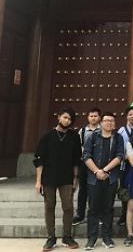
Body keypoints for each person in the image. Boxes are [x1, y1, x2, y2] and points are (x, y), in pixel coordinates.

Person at [34, 107, 81, 251]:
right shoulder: (47, 137)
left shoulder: (74, 137)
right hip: (48, 177)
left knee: (68, 207)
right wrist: (38, 181)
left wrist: (75, 178)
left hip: (67, 177)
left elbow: (76, 160)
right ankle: (51, 237)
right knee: (49, 206)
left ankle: (67, 236)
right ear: (59, 117)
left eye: (70, 119)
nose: (67, 121)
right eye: (65, 117)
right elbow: (39, 160)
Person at [83, 112, 124, 250]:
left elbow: (120, 156)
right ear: (101, 123)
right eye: (106, 120)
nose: (109, 123)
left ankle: (107, 237)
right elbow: (86, 155)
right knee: (93, 208)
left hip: (110, 178)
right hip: (94, 179)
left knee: (108, 208)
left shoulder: (118, 138)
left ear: (114, 124)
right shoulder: (92, 136)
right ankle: (92, 238)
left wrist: (105, 170)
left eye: (112, 121)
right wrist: (97, 171)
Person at [73, 107, 101, 226]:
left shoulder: (102, 130)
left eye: (95, 116)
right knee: (83, 190)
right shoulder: (83, 131)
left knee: (96, 190)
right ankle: (80, 214)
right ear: (88, 117)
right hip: (85, 164)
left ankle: (96, 214)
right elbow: (79, 146)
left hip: (99, 164)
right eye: (91, 116)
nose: (93, 118)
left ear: (99, 117)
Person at [117, 106, 133, 227]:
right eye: (130, 114)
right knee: (125, 189)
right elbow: (118, 148)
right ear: (126, 116)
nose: (132, 116)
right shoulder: (121, 131)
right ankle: (124, 214)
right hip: (124, 165)